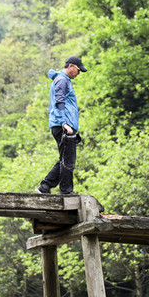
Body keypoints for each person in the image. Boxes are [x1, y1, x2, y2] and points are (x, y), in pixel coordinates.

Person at [36, 55, 87, 195]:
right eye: (78, 70)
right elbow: (59, 101)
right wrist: (65, 122)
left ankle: (45, 187)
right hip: (63, 125)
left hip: (62, 125)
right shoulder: (62, 80)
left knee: (64, 158)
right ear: (71, 66)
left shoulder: (62, 80)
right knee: (68, 160)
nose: (78, 73)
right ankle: (66, 191)